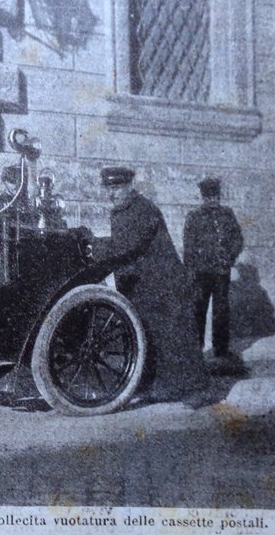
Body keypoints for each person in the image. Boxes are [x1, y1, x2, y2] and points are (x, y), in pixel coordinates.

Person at [92, 167, 206, 403]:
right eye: (108, 189)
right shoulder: (124, 210)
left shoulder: (143, 209)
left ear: (130, 187)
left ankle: (180, 388)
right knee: (147, 337)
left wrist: (93, 246)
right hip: (144, 285)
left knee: (169, 338)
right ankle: (150, 384)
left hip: (163, 285)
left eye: (117, 188)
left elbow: (126, 246)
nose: (112, 194)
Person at [183, 177, 244, 361]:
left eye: (215, 197)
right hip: (201, 273)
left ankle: (221, 350)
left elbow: (238, 239)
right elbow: (188, 246)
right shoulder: (194, 217)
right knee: (198, 310)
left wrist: (229, 256)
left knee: (221, 311)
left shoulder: (227, 215)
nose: (212, 201)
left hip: (220, 271)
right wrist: (191, 269)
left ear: (219, 197)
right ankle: (195, 350)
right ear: (203, 198)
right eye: (208, 197)